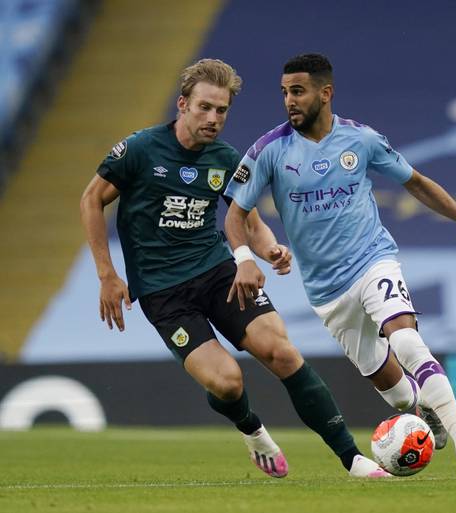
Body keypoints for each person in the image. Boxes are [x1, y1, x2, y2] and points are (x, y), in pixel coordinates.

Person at [79, 58, 389, 479]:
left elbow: (251, 223)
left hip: (217, 273)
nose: (213, 118)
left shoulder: (226, 159)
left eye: (221, 110)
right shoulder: (140, 150)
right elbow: (91, 199)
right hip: (163, 291)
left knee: (281, 351)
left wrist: (270, 250)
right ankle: (252, 429)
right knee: (227, 383)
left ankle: (352, 459)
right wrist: (107, 274)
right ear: (183, 104)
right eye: (204, 107)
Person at [224, 53, 456, 479]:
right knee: (398, 397)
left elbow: (415, 182)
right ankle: (425, 404)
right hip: (327, 293)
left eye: (298, 91)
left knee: (409, 344)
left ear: (326, 93)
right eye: (285, 92)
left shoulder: (361, 140)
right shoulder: (268, 150)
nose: (289, 101)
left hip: (373, 261)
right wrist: (247, 257)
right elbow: (234, 211)